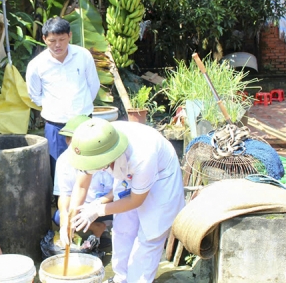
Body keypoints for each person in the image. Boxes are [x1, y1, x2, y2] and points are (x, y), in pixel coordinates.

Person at [62, 118, 185, 283]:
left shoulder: (142, 155)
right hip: (128, 174)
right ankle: (121, 278)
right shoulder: (93, 143)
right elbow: (82, 185)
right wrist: (69, 221)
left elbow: (135, 200)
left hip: (161, 180)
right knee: (123, 229)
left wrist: (98, 210)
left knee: (148, 238)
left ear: (105, 159)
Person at [25, 17, 100, 181]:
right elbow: (34, 95)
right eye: (52, 41)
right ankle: (62, 202)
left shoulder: (83, 56)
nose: (57, 45)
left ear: (70, 36)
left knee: (88, 164)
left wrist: (82, 107)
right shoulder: (36, 65)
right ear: (44, 39)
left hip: (84, 121)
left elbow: (93, 85)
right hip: (55, 125)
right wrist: (54, 108)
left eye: (62, 39)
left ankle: (87, 200)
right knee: (59, 168)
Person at [53, 115, 114, 250]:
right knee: (58, 216)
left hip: (109, 205)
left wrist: (96, 206)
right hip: (82, 207)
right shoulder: (63, 161)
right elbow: (65, 193)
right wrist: (65, 221)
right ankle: (97, 229)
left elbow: (120, 191)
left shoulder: (106, 156)